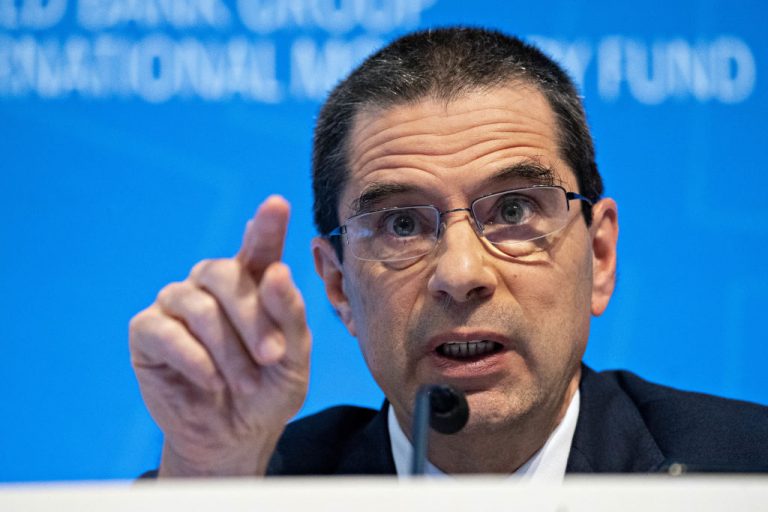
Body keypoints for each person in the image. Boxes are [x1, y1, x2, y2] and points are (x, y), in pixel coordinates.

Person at [129, 27, 768, 478]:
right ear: (339, 286)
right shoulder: (246, 485)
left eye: (514, 211)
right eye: (403, 223)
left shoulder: (744, 472)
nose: (461, 274)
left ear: (599, 256)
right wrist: (212, 474)